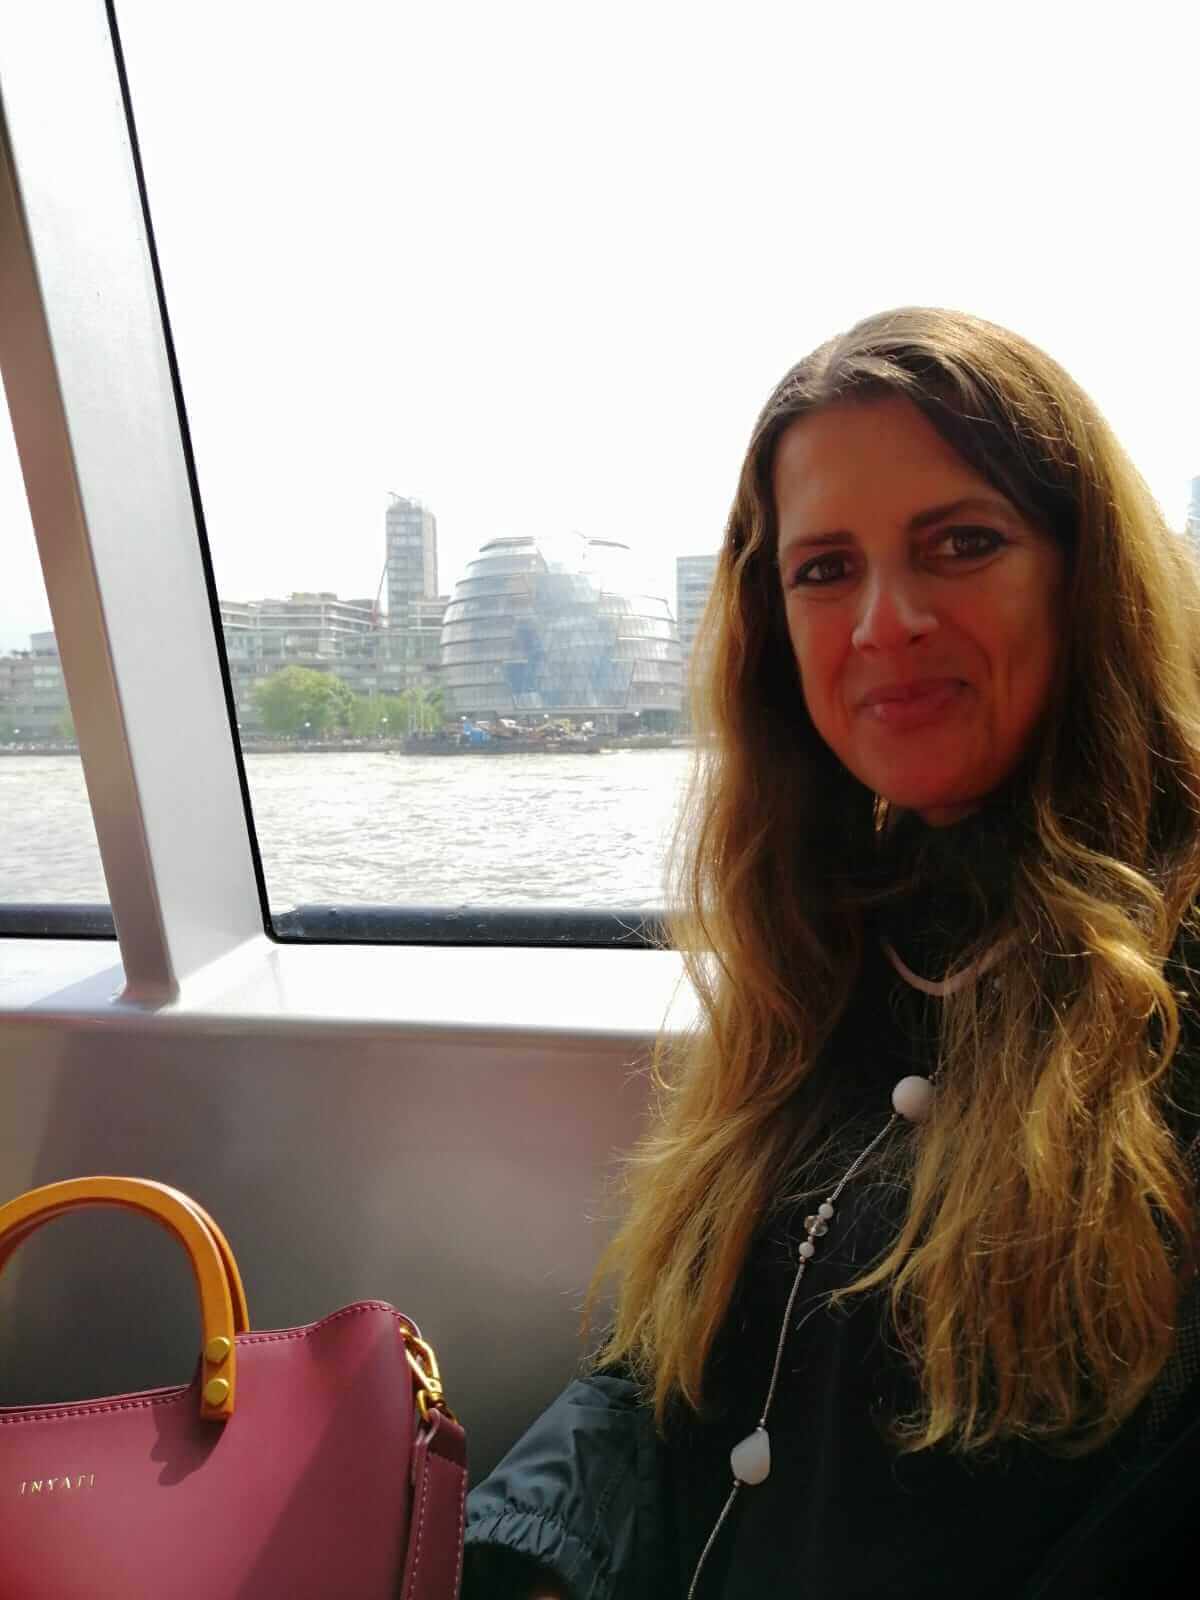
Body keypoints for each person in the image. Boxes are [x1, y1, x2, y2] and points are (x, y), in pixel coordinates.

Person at [462, 308, 1200, 1598]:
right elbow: (670, 1363)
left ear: (1085, 579)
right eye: (825, 570)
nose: (885, 621)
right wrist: (525, 1560)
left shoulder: (1169, 999)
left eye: (960, 544)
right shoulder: (818, 954)